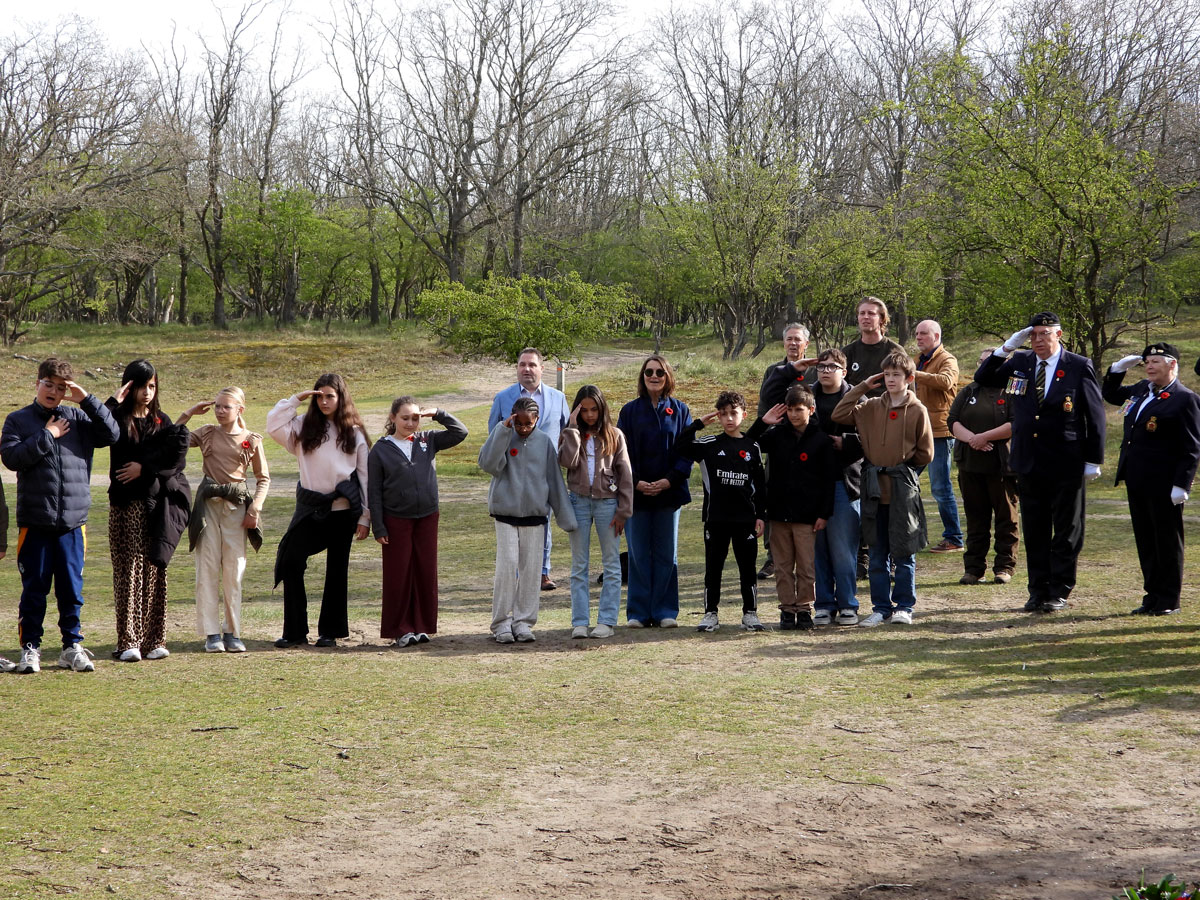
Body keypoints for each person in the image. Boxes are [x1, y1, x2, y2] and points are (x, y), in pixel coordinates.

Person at [974, 312, 1105, 613]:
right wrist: (1006, 349)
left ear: (1058, 335)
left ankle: (1059, 590)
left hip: (1066, 460)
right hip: (1028, 459)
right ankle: (1037, 590)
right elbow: (984, 378)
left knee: (1066, 529)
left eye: (1044, 334)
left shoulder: (1078, 365)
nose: (1038, 340)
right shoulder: (1021, 362)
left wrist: (1093, 459)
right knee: (1035, 529)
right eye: (1033, 335)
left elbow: (1095, 415)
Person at [2, 358, 119, 674]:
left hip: (72, 523)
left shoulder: (78, 417)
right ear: (36, 384)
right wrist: (48, 434)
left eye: (61, 387)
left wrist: (86, 399)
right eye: (48, 384)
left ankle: (72, 647)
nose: (53, 391)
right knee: (34, 590)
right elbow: (12, 458)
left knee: (71, 590)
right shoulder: (18, 420)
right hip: (35, 522)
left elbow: (111, 434)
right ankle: (31, 649)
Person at [267, 375, 371, 649]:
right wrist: (294, 400)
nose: (324, 402)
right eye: (319, 396)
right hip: (310, 508)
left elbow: (365, 477)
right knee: (290, 560)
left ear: (341, 398)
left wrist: (365, 517)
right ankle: (295, 631)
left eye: (330, 396)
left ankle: (330, 632)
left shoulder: (355, 432)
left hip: (343, 511)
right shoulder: (302, 427)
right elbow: (273, 425)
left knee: (337, 570)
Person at [833, 350, 934, 626]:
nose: (890, 379)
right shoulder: (871, 406)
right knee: (877, 552)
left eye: (896, 375)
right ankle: (881, 607)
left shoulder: (917, 410)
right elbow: (840, 412)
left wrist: (902, 472)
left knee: (903, 551)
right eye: (887, 374)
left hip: (901, 487)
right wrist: (863, 386)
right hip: (873, 487)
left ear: (909, 378)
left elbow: (926, 453)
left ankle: (904, 606)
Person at [1102, 342, 1200, 616]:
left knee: (1166, 541)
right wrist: (1116, 370)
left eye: (1155, 362)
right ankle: (1152, 596)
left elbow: (1191, 446)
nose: (1149, 366)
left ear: (1172, 365)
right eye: (1146, 362)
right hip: (1137, 477)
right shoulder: (1141, 390)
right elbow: (1110, 394)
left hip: (1165, 482)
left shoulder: (1185, 398)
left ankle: (1169, 599)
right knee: (1146, 540)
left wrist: (1182, 483)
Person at [106, 360, 192, 663]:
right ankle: (128, 640)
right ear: (129, 387)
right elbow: (98, 432)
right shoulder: (117, 417)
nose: (147, 392)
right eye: (141, 386)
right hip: (125, 506)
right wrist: (112, 402)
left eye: (152, 386)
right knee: (130, 572)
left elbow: (174, 460)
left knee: (156, 569)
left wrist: (144, 468)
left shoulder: (161, 420)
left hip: (155, 505)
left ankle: (155, 638)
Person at [367, 397, 467, 647]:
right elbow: (374, 492)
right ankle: (400, 629)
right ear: (392, 418)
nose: (411, 423)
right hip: (395, 519)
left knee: (425, 571)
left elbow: (460, 432)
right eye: (405, 418)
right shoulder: (380, 449)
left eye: (415, 418)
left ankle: (422, 626)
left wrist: (438, 413)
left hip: (427, 517)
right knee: (399, 575)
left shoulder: (428, 440)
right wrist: (377, 526)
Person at [177, 387, 271, 653]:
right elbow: (174, 438)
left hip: (237, 509)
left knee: (234, 571)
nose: (220, 411)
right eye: (217, 406)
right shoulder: (206, 433)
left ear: (239, 409)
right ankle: (211, 634)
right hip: (208, 507)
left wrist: (256, 508)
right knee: (206, 570)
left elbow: (263, 478)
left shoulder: (251, 440)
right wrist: (188, 413)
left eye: (226, 407)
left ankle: (232, 631)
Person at [479, 397, 576, 643]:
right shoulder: (503, 435)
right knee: (507, 566)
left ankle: (523, 622)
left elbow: (554, 481)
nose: (523, 428)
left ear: (536, 421)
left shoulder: (544, 442)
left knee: (532, 570)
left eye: (528, 424)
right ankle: (501, 623)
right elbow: (488, 464)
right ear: (511, 417)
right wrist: (503, 431)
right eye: (518, 423)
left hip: (535, 517)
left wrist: (567, 519)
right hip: (505, 515)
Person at [747, 385, 837, 630]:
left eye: (799, 409)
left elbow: (829, 480)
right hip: (777, 513)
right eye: (790, 410)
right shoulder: (776, 435)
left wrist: (824, 513)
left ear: (811, 409)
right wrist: (764, 422)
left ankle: (805, 608)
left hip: (808, 516)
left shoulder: (821, 440)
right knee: (783, 567)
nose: (794, 415)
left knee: (806, 567)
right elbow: (747, 445)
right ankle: (787, 610)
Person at [676, 391, 767, 632]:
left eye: (733, 413)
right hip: (716, 519)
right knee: (713, 568)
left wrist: (761, 516)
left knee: (747, 568)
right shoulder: (709, 445)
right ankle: (710, 614)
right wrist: (698, 424)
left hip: (745, 520)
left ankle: (750, 613)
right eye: (723, 414)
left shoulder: (752, 447)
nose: (728, 418)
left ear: (744, 415)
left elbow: (760, 485)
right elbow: (680, 445)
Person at [616, 355, 694, 628]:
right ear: (642, 376)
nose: (654, 376)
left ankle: (664, 611)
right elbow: (620, 454)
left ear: (667, 376)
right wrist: (635, 482)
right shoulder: (629, 411)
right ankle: (637, 612)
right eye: (649, 372)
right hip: (636, 493)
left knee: (666, 554)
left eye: (660, 372)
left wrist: (669, 481)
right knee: (638, 553)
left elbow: (688, 452)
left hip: (669, 494)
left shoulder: (681, 410)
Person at [487, 348, 570, 591]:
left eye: (532, 365)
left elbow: (565, 431)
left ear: (541, 369)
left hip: (544, 470)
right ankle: (514, 572)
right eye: (522, 365)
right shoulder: (503, 397)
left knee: (543, 521)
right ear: (517, 368)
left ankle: (543, 571)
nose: (527, 369)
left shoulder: (558, 398)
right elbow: (494, 433)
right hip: (512, 471)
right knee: (513, 524)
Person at [558, 385, 633, 639]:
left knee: (612, 564)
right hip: (578, 503)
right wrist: (571, 429)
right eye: (585, 410)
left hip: (608, 504)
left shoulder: (615, 435)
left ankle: (607, 621)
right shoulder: (570, 434)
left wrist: (624, 511)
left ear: (602, 409)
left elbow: (625, 476)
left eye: (594, 409)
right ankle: (580, 621)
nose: (590, 415)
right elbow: (566, 462)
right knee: (579, 564)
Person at [946, 351, 1018, 585]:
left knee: (1006, 519)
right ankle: (974, 569)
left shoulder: (1015, 388)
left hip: (1002, 466)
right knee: (976, 519)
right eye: (983, 362)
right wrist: (971, 439)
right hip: (970, 463)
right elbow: (953, 420)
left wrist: (984, 437)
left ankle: (1004, 567)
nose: (988, 367)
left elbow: (1016, 422)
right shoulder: (969, 390)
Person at [756, 322, 818, 579]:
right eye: (789, 339)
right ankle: (773, 557)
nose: (793, 344)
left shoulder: (815, 372)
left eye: (798, 340)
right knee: (774, 495)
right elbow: (765, 405)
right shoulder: (775, 371)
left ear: (806, 344)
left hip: (809, 446)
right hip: (779, 444)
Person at [809, 349, 863, 625]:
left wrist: (847, 442)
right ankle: (824, 604)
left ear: (844, 371)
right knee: (818, 549)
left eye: (832, 366)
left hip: (845, 481)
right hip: (812, 483)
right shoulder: (806, 396)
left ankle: (848, 604)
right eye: (821, 366)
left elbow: (872, 436)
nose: (826, 371)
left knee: (843, 549)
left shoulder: (856, 397)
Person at [912, 319, 963, 553]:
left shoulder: (947, 359)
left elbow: (946, 381)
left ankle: (953, 538)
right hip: (917, 431)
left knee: (941, 487)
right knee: (905, 480)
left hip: (940, 432)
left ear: (937, 336)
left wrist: (915, 373)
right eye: (917, 334)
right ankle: (909, 532)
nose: (919, 337)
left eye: (923, 333)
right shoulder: (918, 360)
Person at [842, 296, 903, 395]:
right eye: (862, 313)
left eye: (871, 313)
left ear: (882, 319)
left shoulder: (895, 351)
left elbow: (908, 387)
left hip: (887, 406)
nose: (866, 317)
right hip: (856, 407)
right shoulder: (847, 352)